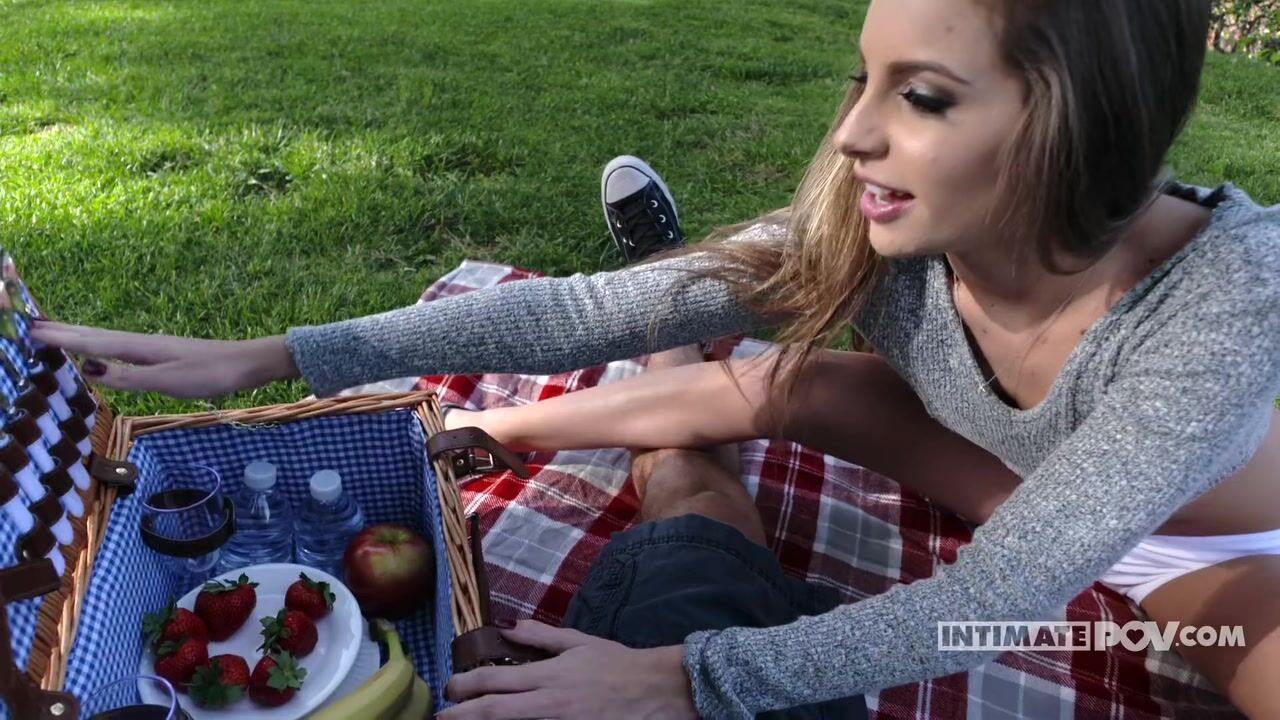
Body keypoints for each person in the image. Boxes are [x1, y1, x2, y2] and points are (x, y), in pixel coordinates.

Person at [33, 0, 1280, 717]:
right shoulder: (885, 225)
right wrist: (266, 356)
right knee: (782, 374)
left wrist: (686, 680)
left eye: (922, 97)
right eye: (863, 79)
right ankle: (514, 417)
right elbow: (585, 313)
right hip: (1013, 471)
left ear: (1071, 124)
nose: (850, 133)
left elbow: (992, 599)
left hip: (1220, 553)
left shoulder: (1222, 305)